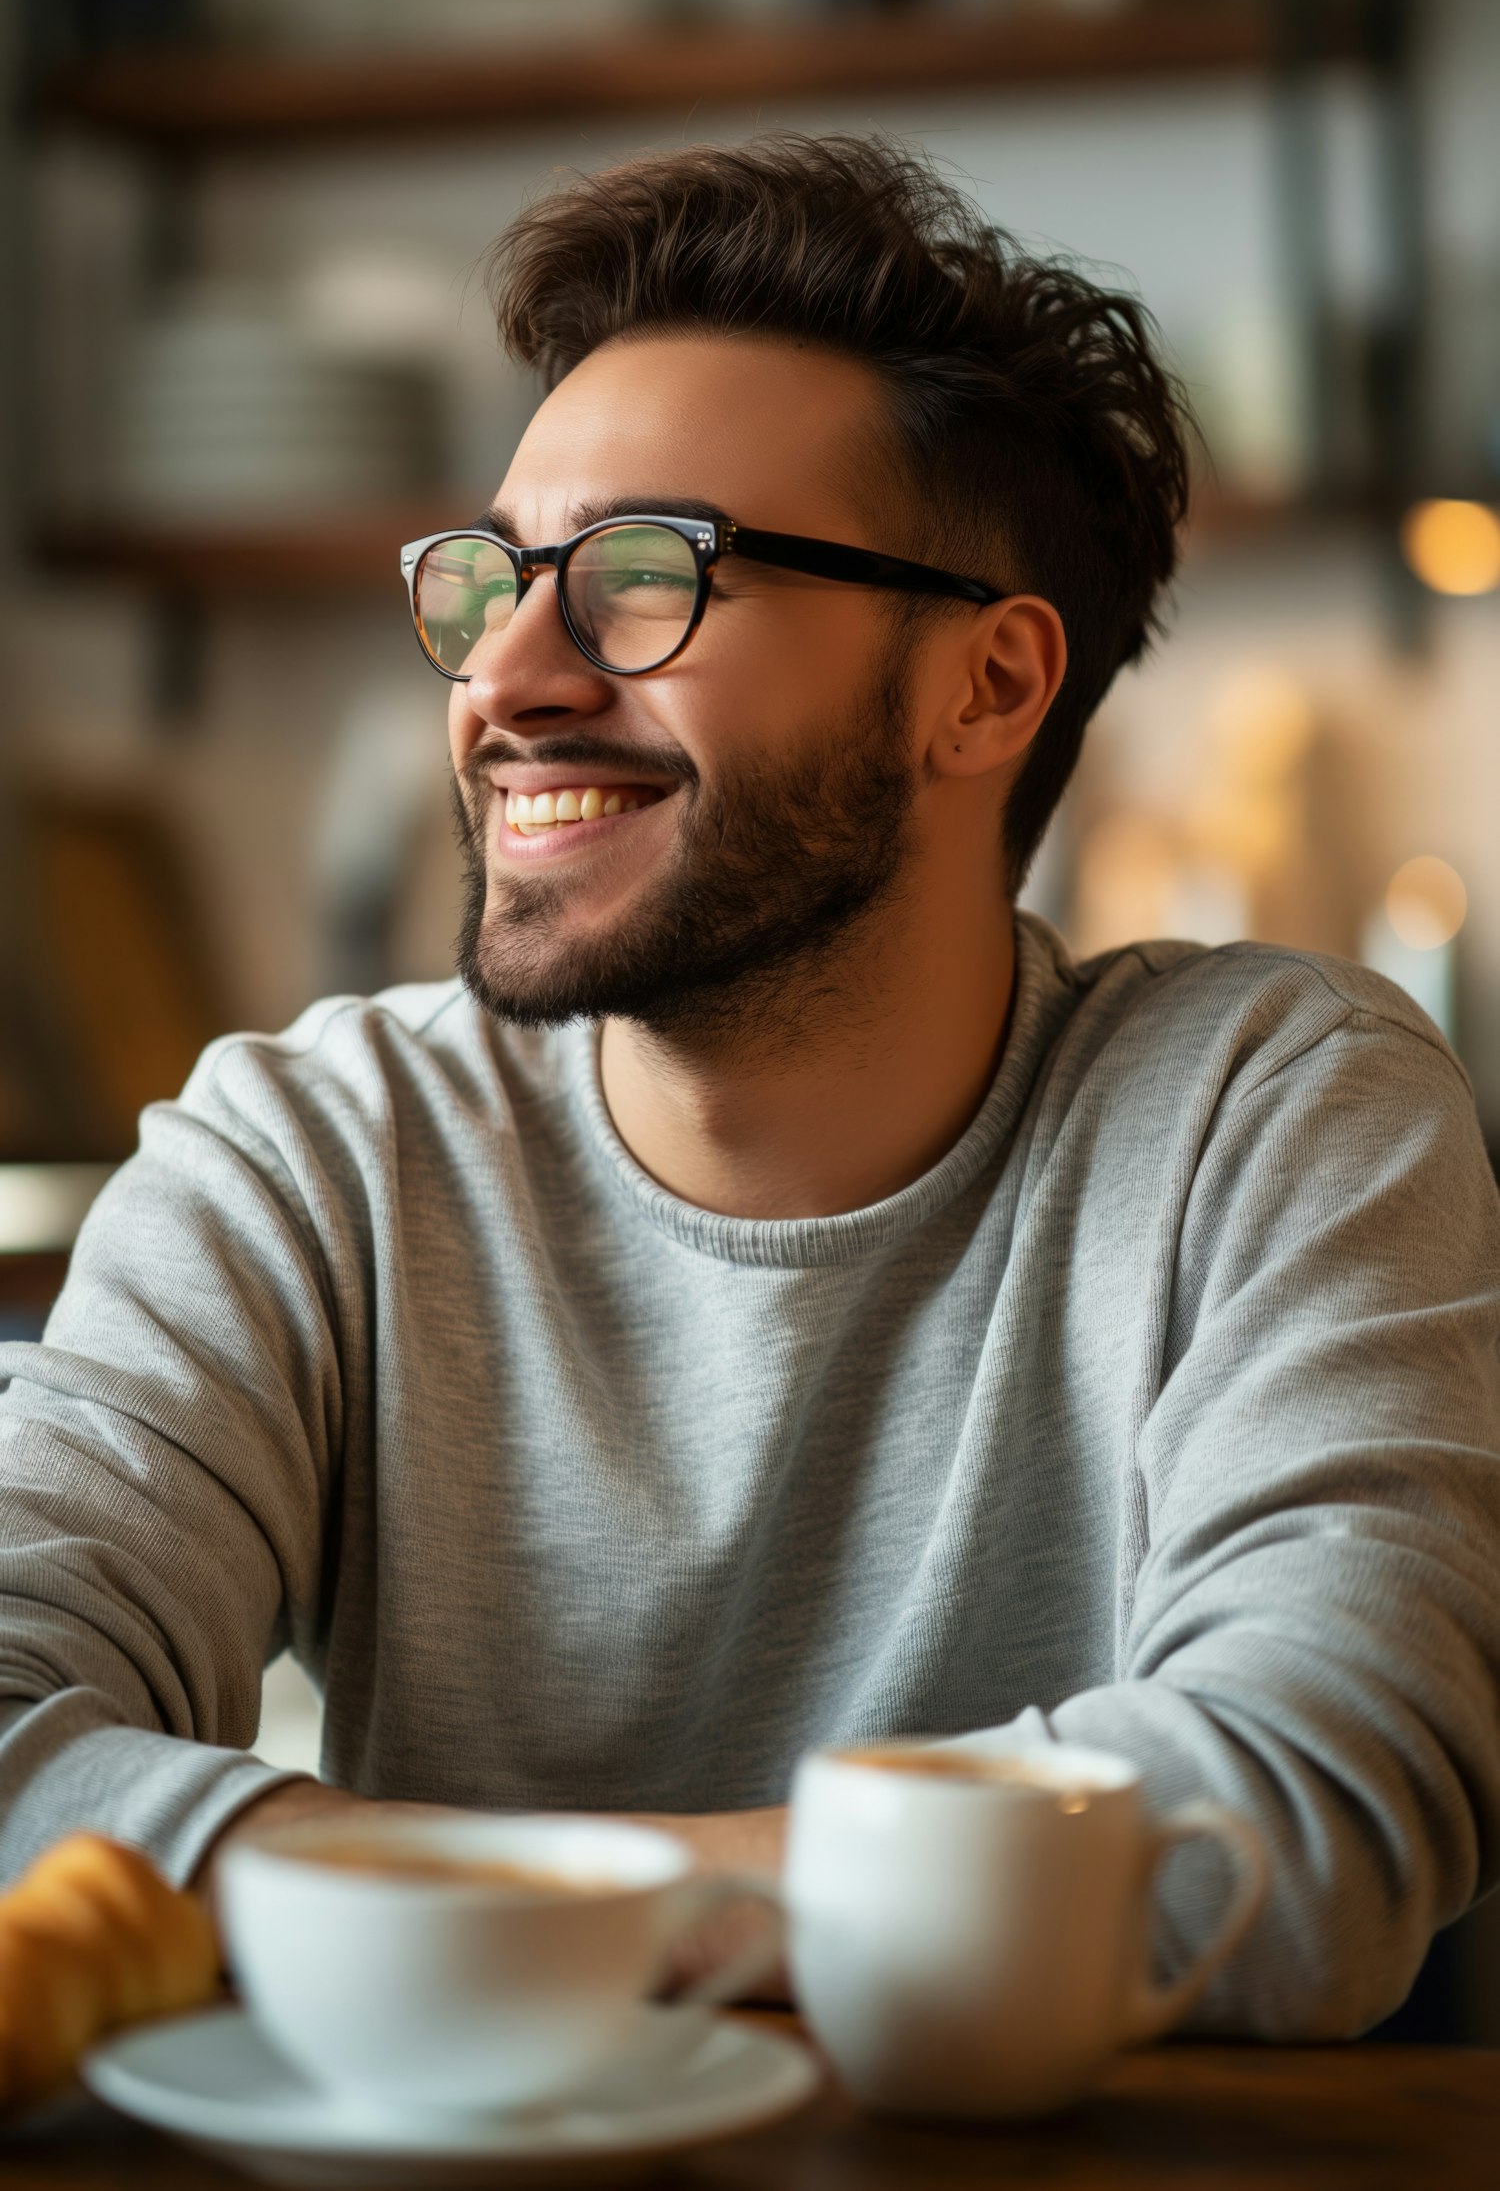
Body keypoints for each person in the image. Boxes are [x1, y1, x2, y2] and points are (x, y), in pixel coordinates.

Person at [2, 134, 1498, 2037]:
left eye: (646, 575)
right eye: (492, 582)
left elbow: (1318, 1809)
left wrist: (450, 1914)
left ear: (988, 687)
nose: (509, 678)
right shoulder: (309, 1158)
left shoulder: (1266, 1112)